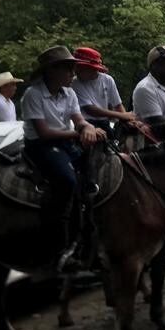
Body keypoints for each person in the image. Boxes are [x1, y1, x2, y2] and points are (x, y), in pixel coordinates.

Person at [20, 46, 106, 264]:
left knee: (99, 166)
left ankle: (92, 228)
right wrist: (79, 133)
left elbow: (79, 120)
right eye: (67, 69)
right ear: (51, 71)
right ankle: (58, 242)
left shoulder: (69, 93)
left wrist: (88, 128)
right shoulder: (33, 95)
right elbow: (44, 132)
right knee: (67, 180)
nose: (72, 74)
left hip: (65, 142)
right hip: (41, 145)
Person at [71, 47, 135, 133]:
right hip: (85, 123)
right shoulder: (75, 83)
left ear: (92, 68)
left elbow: (117, 105)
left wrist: (128, 119)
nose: (76, 71)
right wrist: (122, 115)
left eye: (80, 69)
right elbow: (90, 109)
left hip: (104, 122)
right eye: (76, 68)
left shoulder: (107, 80)